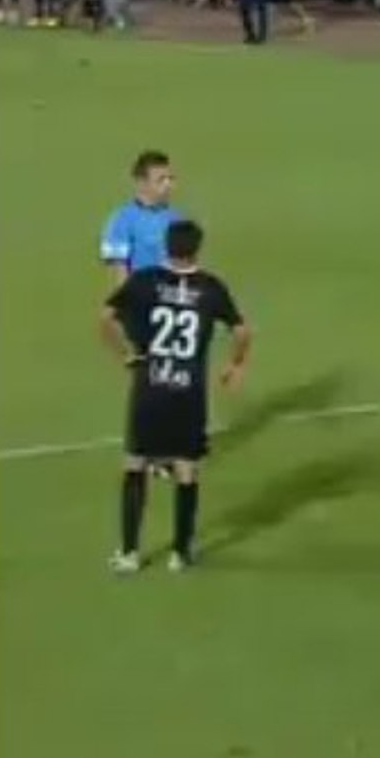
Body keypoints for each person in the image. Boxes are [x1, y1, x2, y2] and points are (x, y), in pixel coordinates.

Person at [100, 220, 252, 573]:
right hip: (188, 393)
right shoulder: (211, 287)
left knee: (136, 463)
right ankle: (181, 552)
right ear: (198, 248)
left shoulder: (145, 281)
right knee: (185, 468)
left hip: (150, 388)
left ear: (166, 245)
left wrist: (126, 355)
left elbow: (105, 318)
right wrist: (234, 365)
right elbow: (242, 331)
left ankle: (129, 553)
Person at [100, 151, 184, 287]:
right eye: (161, 179)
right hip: (139, 296)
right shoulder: (122, 220)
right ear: (142, 182)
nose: (168, 184)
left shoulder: (177, 218)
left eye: (171, 178)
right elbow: (118, 271)